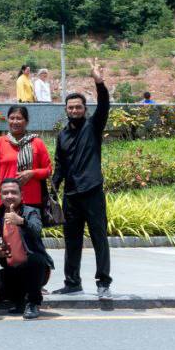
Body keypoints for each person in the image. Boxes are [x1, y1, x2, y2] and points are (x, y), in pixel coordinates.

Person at [53, 60, 112, 298]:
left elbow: (105, 104)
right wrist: (53, 185)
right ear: (66, 110)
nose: (75, 110)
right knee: (72, 240)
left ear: (85, 109)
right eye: (71, 108)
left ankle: (103, 283)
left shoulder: (93, 126)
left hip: (92, 191)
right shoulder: (62, 135)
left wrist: (98, 80)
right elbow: (60, 163)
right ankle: (72, 282)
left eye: (78, 107)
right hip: (71, 195)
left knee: (99, 237)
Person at [0, 177, 51, 320]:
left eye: (13, 192)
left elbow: (37, 229)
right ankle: (19, 301)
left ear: (21, 195)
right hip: (12, 270)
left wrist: (21, 221)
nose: (9, 196)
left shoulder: (31, 212)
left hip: (34, 270)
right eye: (5, 193)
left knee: (36, 259)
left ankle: (33, 303)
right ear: (0, 196)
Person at [0, 105, 52, 211]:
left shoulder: (37, 143)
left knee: (30, 227)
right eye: (12, 118)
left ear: (26, 121)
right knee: (7, 228)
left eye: (19, 118)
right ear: (8, 120)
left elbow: (48, 171)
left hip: (32, 201)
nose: (15, 122)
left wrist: (33, 173)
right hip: (7, 198)